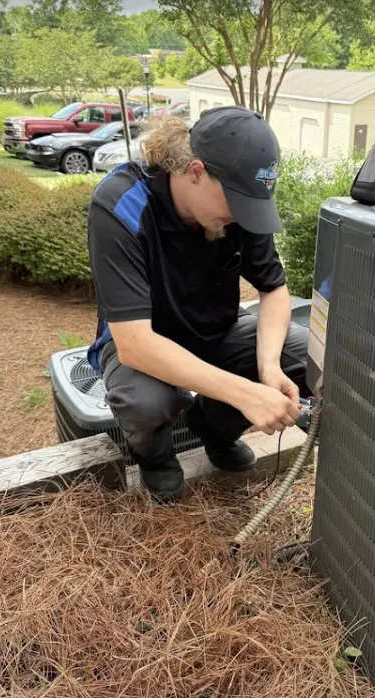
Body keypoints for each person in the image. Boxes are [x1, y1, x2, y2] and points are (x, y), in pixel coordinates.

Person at [85, 106, 310, 501]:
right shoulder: (120, 205)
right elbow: (135, 344)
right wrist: (245, 393)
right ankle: (155, 456)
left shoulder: (239, 211)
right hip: (141, 345)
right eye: (237, 205)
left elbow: (273, 290)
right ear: (195, 171)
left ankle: (212, 428)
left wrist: (268, 368)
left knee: (305, 352)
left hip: (216, 331)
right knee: (147, 402)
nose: (242, 218)